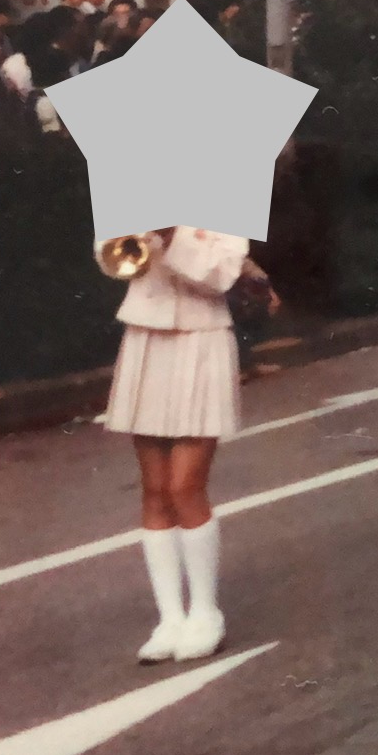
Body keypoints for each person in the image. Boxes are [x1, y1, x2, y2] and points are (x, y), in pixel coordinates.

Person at [100, 225, 247, 663]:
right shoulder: (135, 184)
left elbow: (224, 274)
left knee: (186, 486)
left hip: (203, 339)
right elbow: (110, 258)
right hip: (146, 334)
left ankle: (205, 612)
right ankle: (169, 618)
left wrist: (174, 234)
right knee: (155, 488)